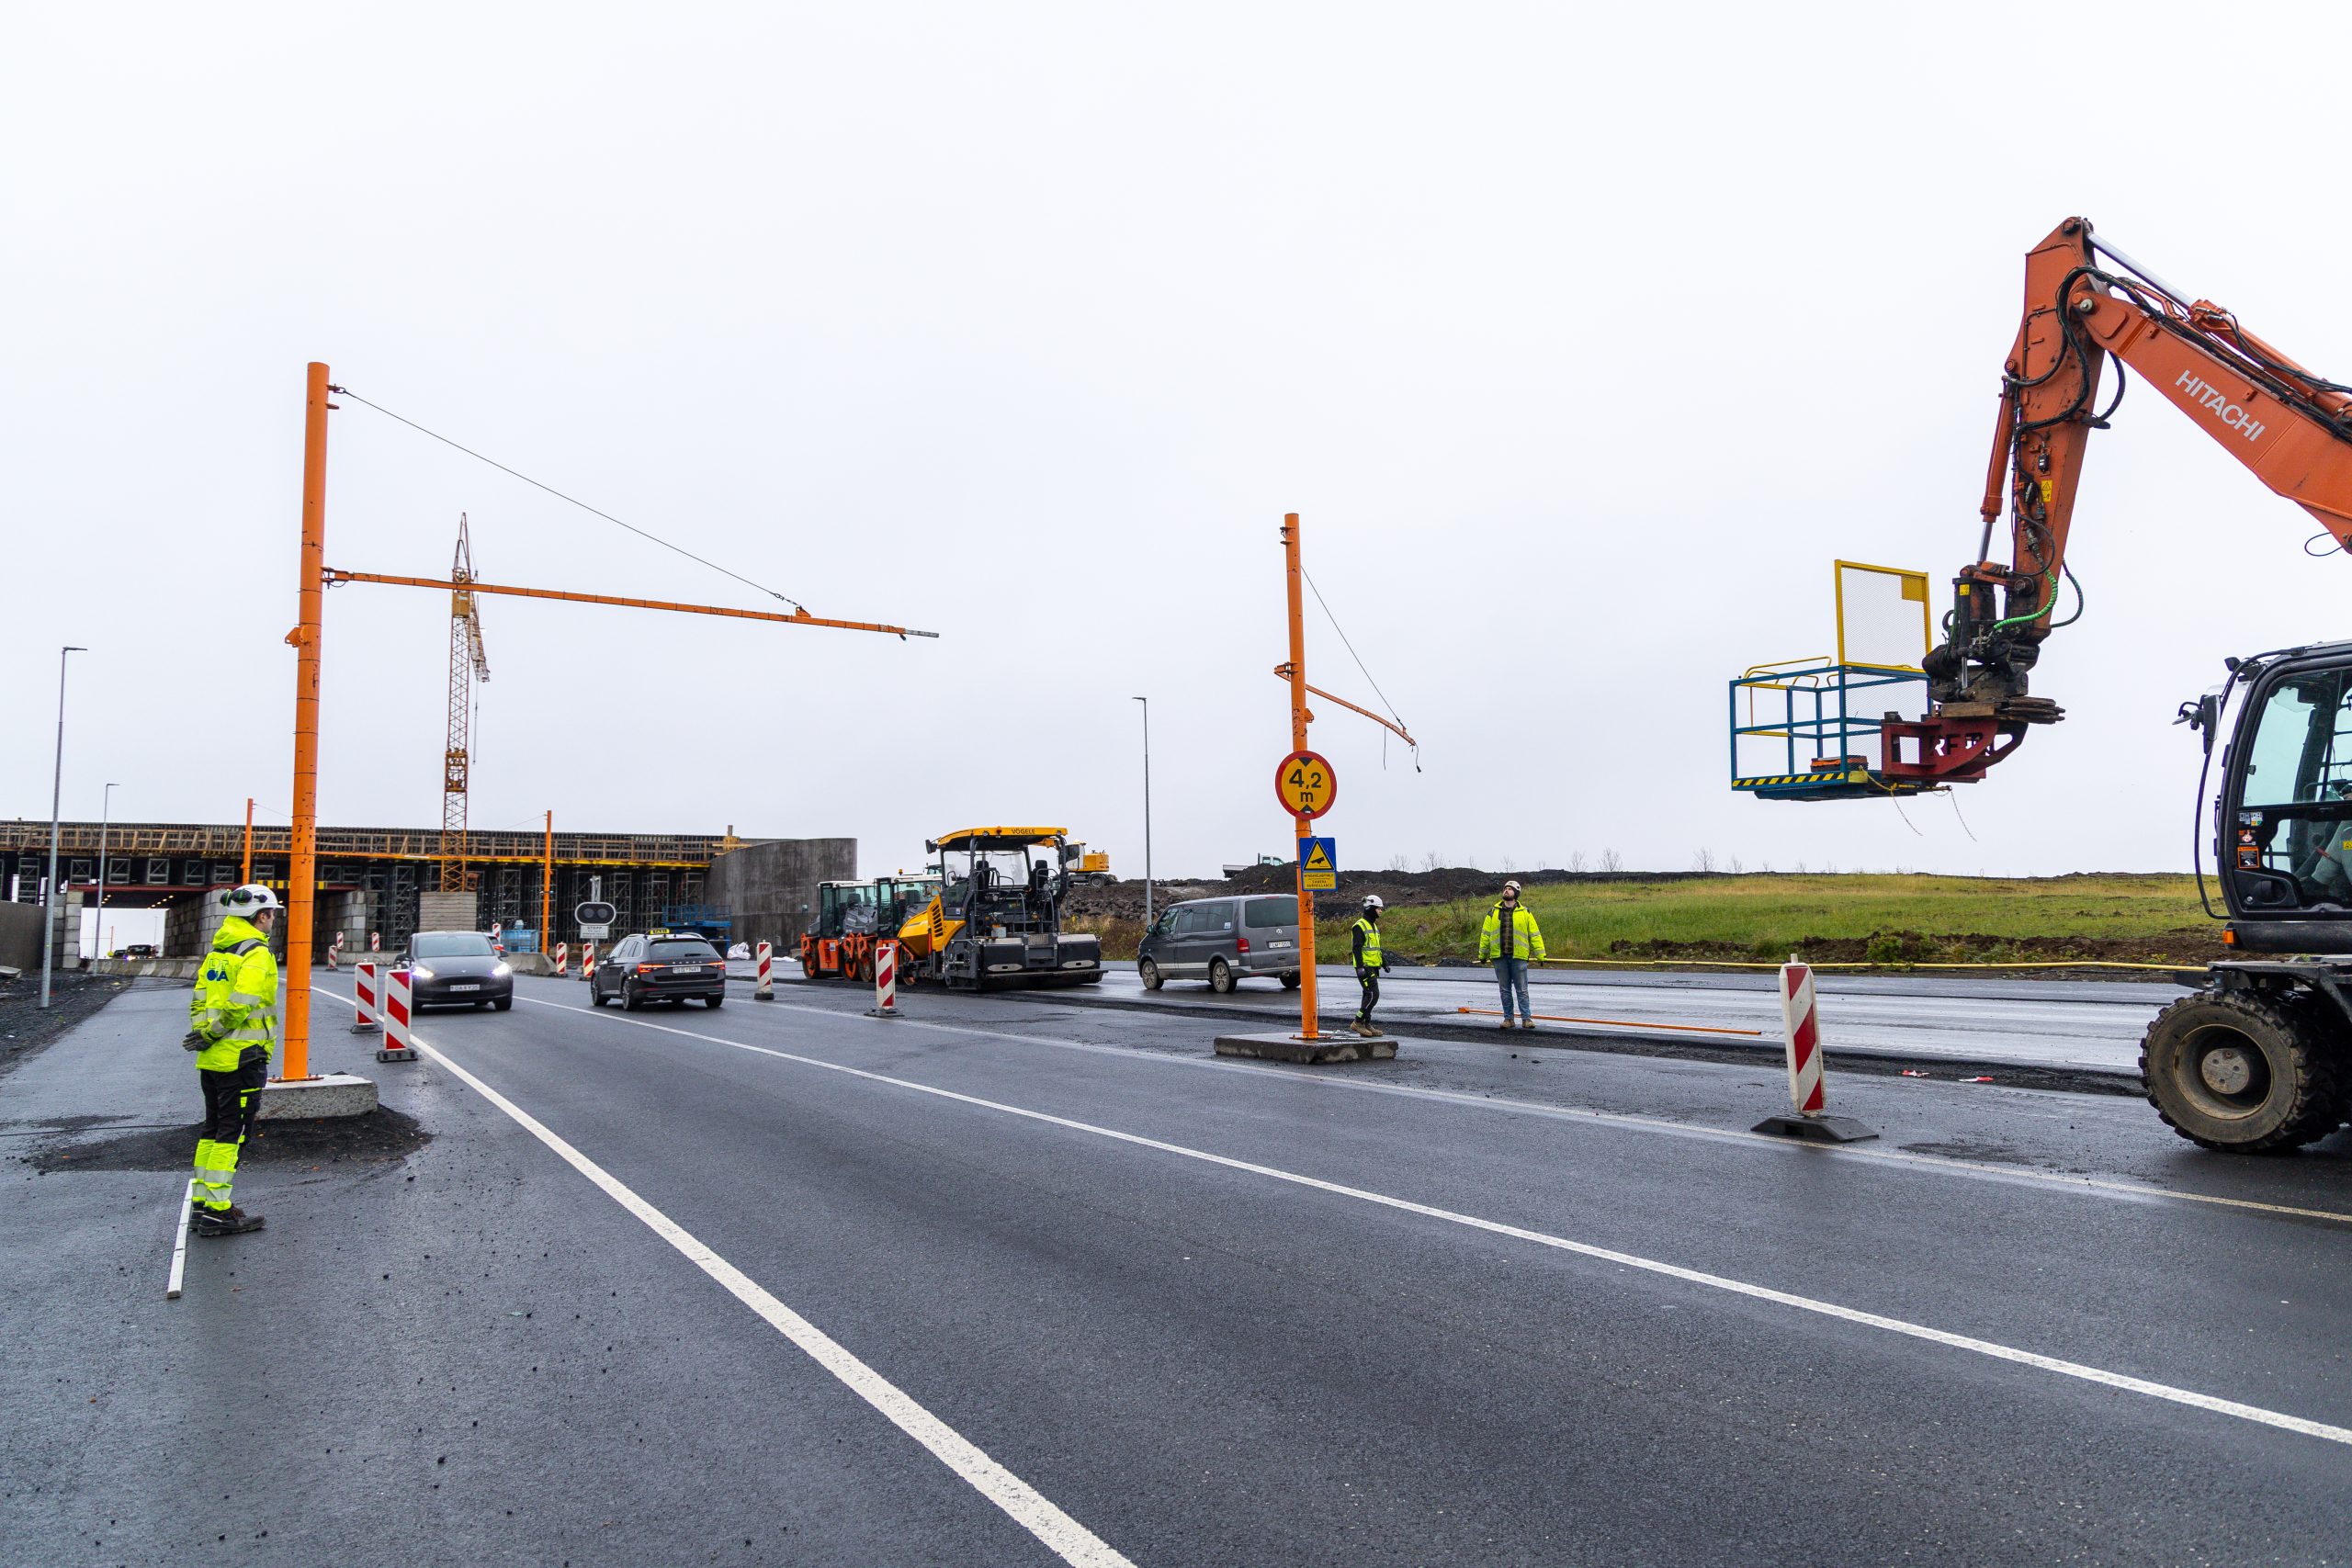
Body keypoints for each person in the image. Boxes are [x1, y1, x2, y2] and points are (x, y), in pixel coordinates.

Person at [183, 885, 282, 1237]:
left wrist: (203, 1034)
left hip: (212, 1058)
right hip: (243, 1056)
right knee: (233, 1134)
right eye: (272, 914)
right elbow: (242, 1004)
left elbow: (198, 1000)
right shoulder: (256, 954)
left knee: (212, 1129)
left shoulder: (218, 953)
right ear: (261, 916)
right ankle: (219, 1211)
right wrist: (215, 1032)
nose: (273, 921)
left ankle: (202, 1204)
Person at [1476, 879, 1547, 1029]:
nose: (1506, 890)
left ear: (1516, 893)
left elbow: (1534, 934)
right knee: (1505, 990)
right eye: (1505, 888)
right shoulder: (1493, 912)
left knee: (1522, 989)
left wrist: (1541, 954)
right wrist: (1482, 954)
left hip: (1519, 957)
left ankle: (1526, 1019)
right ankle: (1508, 1019)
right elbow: (1485, 934)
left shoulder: (1525, 913)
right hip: (1499, 957)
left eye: (1510, 889)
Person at [1350, 894, 1385, 1039]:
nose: (1381, 911)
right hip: (1364, 966)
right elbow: (1357, 948)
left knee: (1368, 994)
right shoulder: (1359, 926)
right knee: (1373, 994)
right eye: (1379, 908)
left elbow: (1375, 948)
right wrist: (1359, 968)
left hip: (1373, 966)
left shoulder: (1374, 926)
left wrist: (1384, 961)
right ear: (1371, 908)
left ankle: (1366, 1023)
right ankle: (1358, 1021)